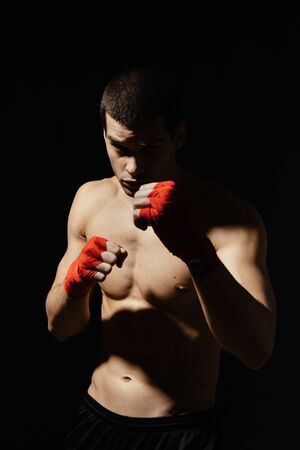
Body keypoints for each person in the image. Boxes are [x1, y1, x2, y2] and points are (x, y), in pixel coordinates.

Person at [45, 66, 276, 449]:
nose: (132, 168)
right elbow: (59, 327)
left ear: (178, 136)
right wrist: (75, 285)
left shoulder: (231, 219)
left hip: (180, 432)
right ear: (104, 134)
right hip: (96, 419)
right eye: (120, 148)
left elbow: (256, 350)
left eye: (150, 149)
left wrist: (193, 250)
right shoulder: (89, 201)